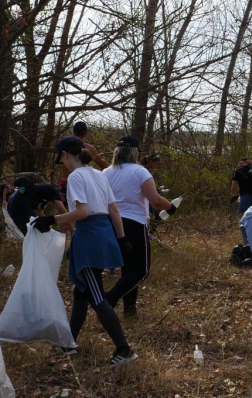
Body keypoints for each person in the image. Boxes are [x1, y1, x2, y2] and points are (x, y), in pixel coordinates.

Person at [32, 136, 136, 365]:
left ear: (65, 155)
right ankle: (69, 343)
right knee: (81, 292)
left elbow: (83, 212)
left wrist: (51, 219)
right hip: (105, 233)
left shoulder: (76, 176)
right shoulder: (98, 174)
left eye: (61, 160)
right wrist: (122, 239)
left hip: (89, 238)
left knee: (97, 297)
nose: (63, 165)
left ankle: (124, 350)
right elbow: (114, 210)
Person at [103, 135, 175, 318]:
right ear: (135, 152)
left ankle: (130, 311)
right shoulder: (140, 172)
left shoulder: (106, 172)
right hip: (133, 224)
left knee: (128, 269)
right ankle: (109, 299)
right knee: (141, 271)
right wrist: (171, 207)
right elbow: (156, 201)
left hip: (111, 224)